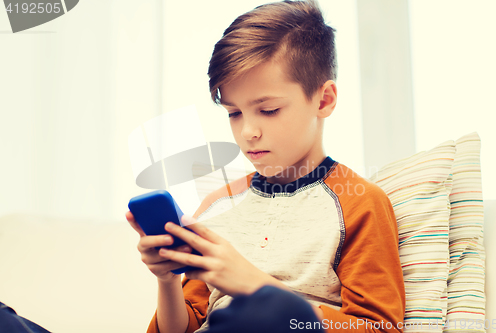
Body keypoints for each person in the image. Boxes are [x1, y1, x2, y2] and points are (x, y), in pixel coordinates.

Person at [125, 0, 405, 332]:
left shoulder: (359, 204)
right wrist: (167, 280)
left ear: (324, 99)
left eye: (268, 110)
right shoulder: (216, 205)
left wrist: (257, 287)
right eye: (233, 113)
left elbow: (380, 328)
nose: (247, 132)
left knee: (263, 315)